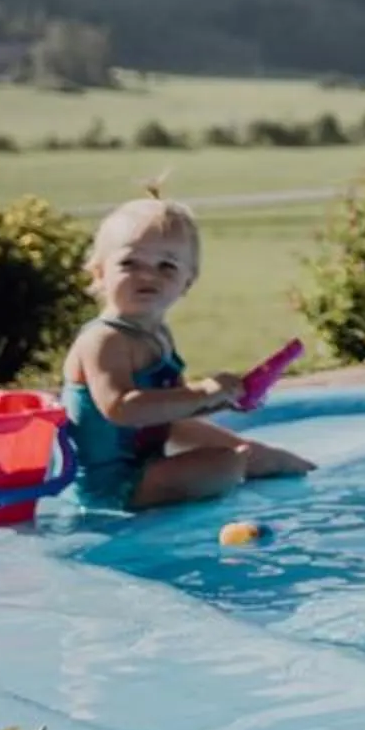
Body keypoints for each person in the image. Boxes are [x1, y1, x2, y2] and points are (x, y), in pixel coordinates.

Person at [62, 193, 315, 511]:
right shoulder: (104, 340)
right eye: (130, 263)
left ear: (187, 282)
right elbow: (122, 409)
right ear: (99, 273)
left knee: (243, 451)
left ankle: (264, 462)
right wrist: (203, 392)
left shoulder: (158, 334)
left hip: (145, 465)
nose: (148, 275)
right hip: (110, 486)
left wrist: (221, 400)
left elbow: (171, 411)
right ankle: (243, 465)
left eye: (166, 266)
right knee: (227, 464)